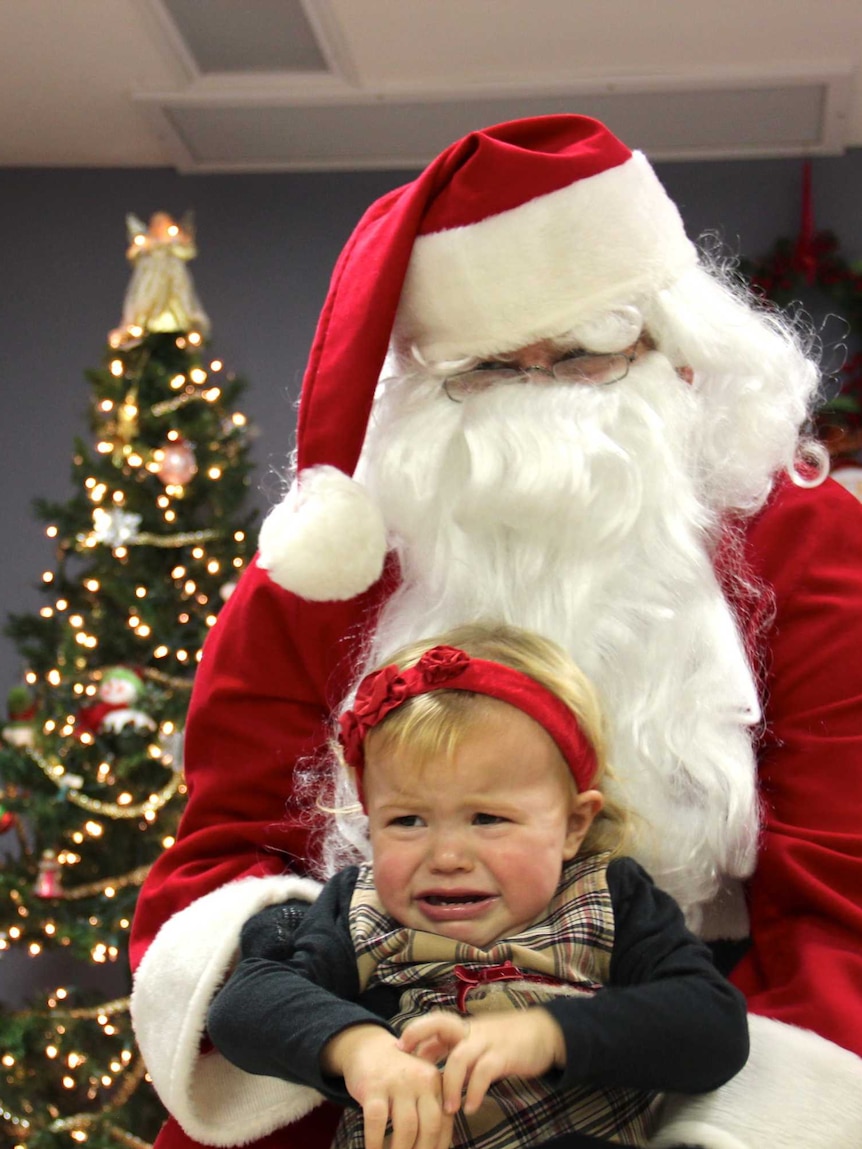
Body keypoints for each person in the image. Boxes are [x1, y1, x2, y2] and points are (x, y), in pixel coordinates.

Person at [129, 114, 862, 1149]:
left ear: (668, 340)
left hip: (713, 1044)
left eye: (581, 353)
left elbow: (842, 877)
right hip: (362, 1066)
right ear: (419, 380)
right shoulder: (332, 556)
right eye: (486, 369)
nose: (542, 400)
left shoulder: (801, 537)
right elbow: (225, 848)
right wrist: (341, 1042)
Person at [206, 624, 749, 1149]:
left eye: (488, 819)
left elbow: (712, 1025)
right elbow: (246, 1004)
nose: (446, 858)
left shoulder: (610, 896)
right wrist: (357, 1048)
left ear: (574, 825)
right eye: (407, 822)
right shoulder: (360, 909)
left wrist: (545, 1035)